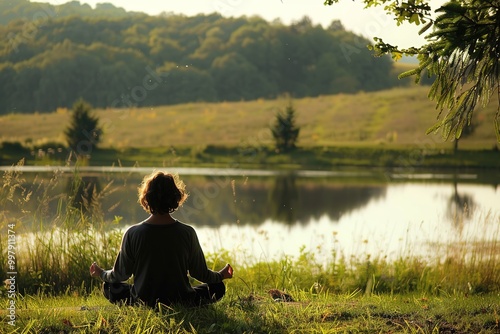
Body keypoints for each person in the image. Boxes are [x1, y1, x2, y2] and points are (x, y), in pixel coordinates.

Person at [89, 171, 233, 307]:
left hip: (143, 300)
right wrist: (221, 275)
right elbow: (200, 273)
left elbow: (120, 275)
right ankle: (186, 300)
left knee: (109, 286)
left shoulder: (132, 233)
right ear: (176, 198)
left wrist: (101, 273)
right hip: (182, 300)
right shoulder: (187, 233)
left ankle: (140, 302)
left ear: (146, 198)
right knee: (217, 287)